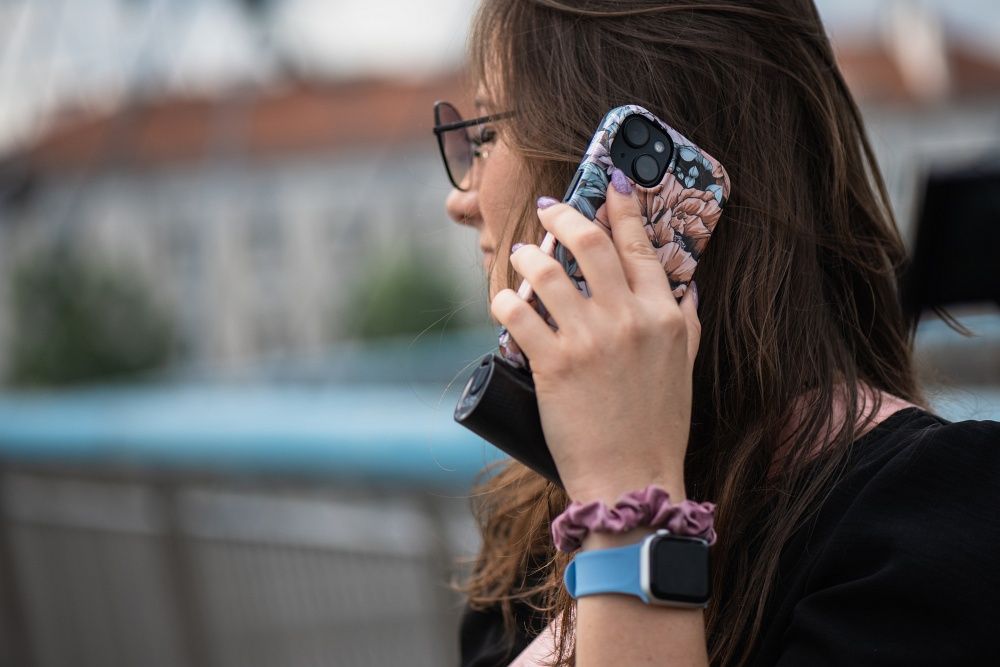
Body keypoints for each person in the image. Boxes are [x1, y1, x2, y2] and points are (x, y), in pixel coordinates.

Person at [436, 1, 1000, 665]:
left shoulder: (934, 525)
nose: (461, 199)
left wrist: (631, 503)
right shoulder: (536, 519)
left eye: (486, 135)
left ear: (619, 178)